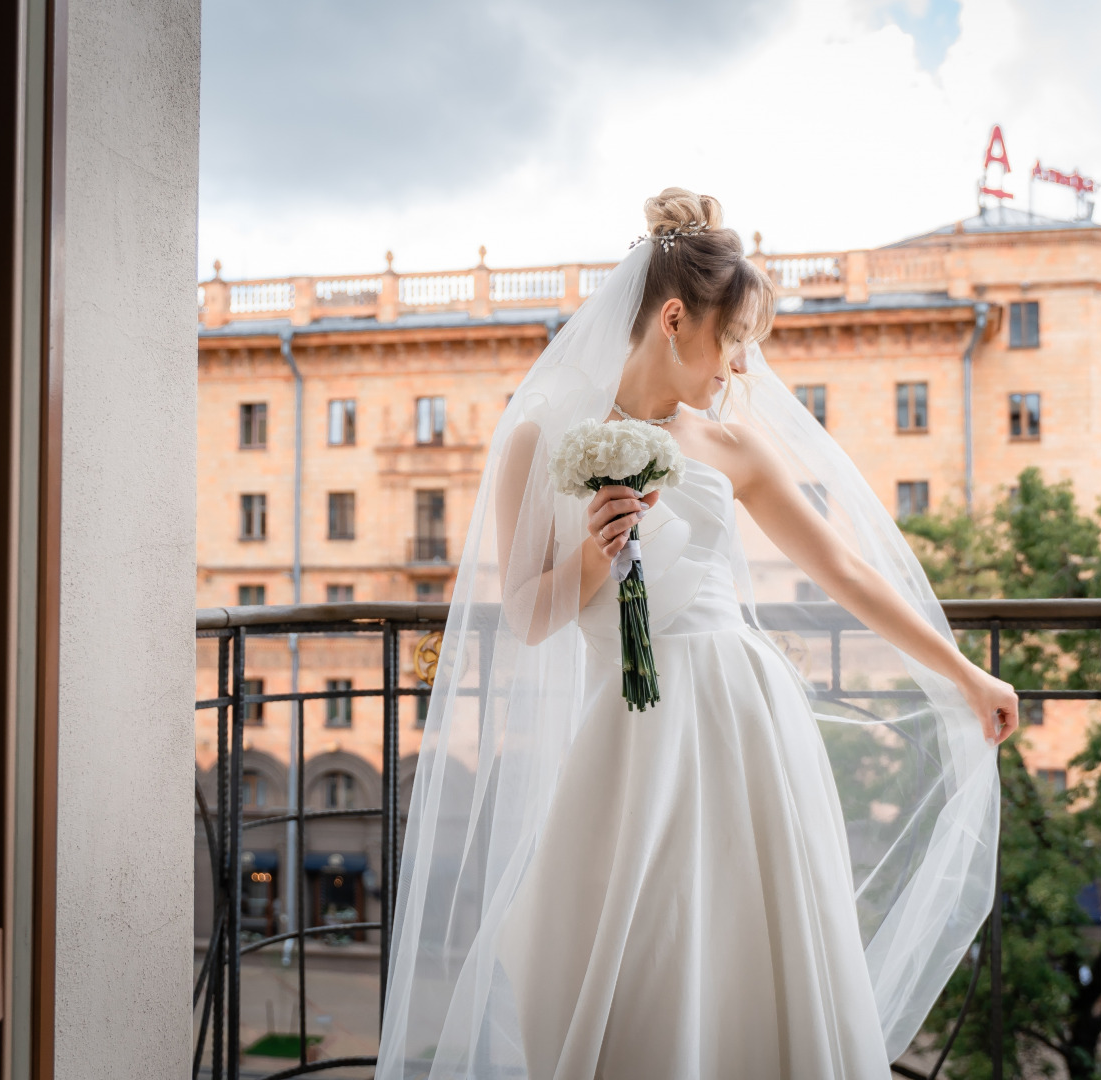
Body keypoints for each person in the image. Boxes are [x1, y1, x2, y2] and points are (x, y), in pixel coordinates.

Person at [377, 188, 1017, 1080]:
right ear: (675, 318)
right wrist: (596, 563)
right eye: (732, 342)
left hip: (742, 723)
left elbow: (848, 570)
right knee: (620, 974)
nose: (739, 370)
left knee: (755, 964)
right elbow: (525, 615)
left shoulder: (734, 447)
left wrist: (964, 675)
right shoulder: (539, 439)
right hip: (630, 743)